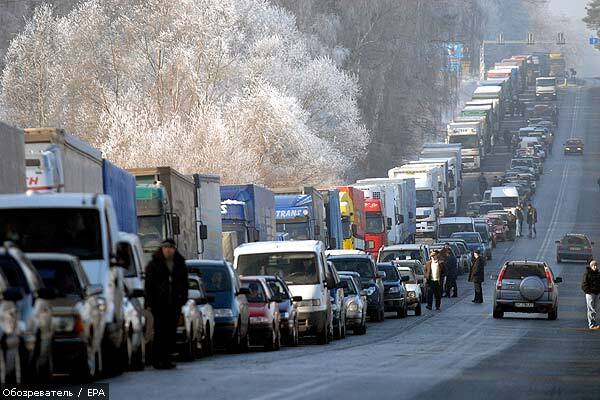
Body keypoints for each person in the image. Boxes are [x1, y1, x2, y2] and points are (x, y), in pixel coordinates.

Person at [145, 239, 189, 369]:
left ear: (174, 249)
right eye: (165, 247)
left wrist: (183, 299)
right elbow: (149, 285)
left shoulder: (179, 264)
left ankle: (167, 359)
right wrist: (149, 302)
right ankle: (157, 359)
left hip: (174, 304)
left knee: (170, 332)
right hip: (159, 304)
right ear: (162, 249)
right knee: (159, 332)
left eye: (170, 247)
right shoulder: (154, 264)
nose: (168, 250)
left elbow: (184, 284)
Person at [582, 260, 600, 330]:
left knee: (595, 309)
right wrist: (588, 292)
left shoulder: (598, 274)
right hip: (590, 294)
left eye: (596, 265)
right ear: (591, 266)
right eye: (593, 265)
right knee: (591, 309)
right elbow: (583, 284)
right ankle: (591, 325)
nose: (595, 267)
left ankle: (594, 323)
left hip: (597, 294)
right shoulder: (587, 274)